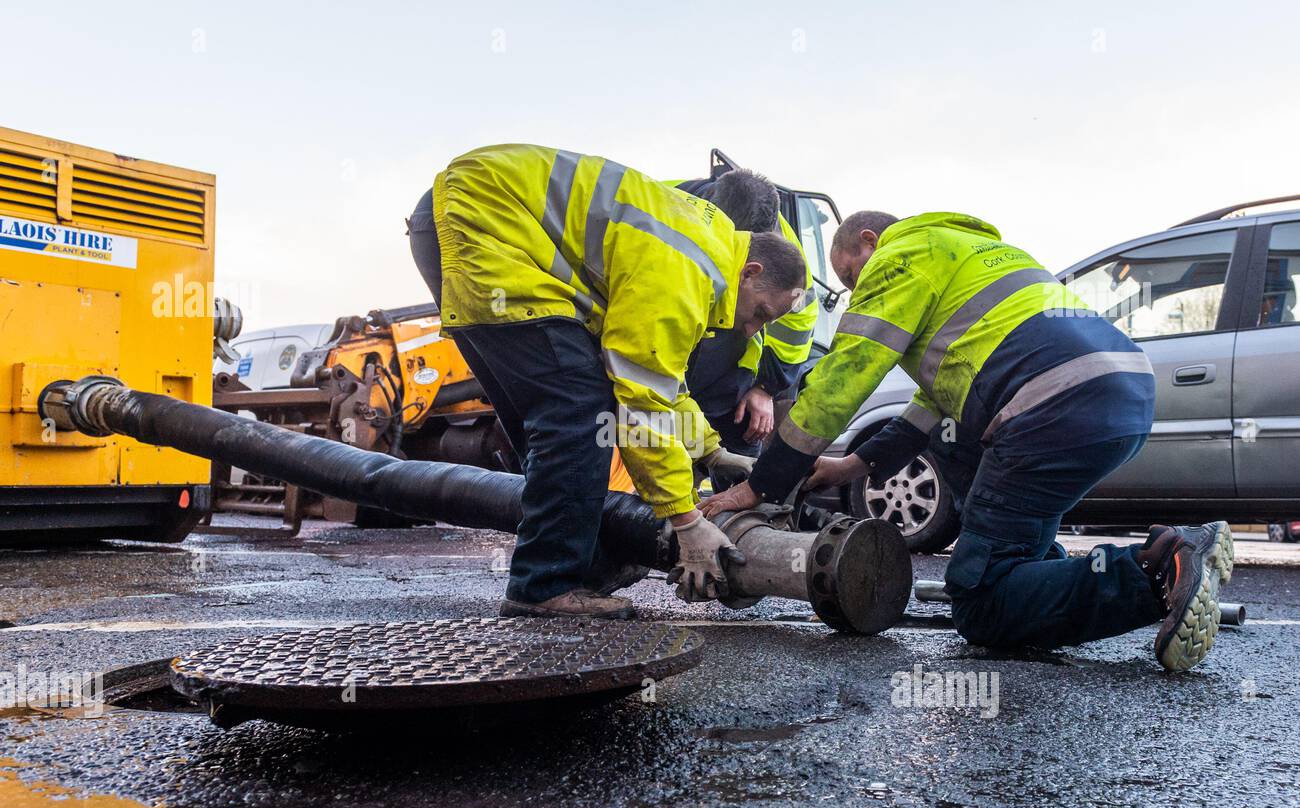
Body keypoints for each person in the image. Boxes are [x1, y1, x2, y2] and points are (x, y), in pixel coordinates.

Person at [703, 209, 1231, 671]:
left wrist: (765, 484)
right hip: (1121, 397)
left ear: (869, 241)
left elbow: (845, 375)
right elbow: (933, 410)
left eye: (850, 277)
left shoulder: (903, 256)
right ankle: (1044, 575)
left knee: (980, 602)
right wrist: (852, 466)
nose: (854, 292)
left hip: (1052, 406)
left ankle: (1158, 568)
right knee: (959, 446)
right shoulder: (978, 254)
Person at [409, 144, 807, 619]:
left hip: (460, 216)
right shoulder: (686, 271)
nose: (752, 331)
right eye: (760, 313)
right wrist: (685, 520)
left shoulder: (701, 246)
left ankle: (564, 571)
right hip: (485, 221)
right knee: (581, 413)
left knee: (555, 424)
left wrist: (709, 450)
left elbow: (661, 381)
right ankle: (543, 588)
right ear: (751, 272)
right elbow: (641, 404)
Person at [669, 170, 819, 455]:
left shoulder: (789, 261)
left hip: (728, 359)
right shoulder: (669, 208)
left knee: (742, 422)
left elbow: (798, 327)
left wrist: (765, 387)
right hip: (670, 328)